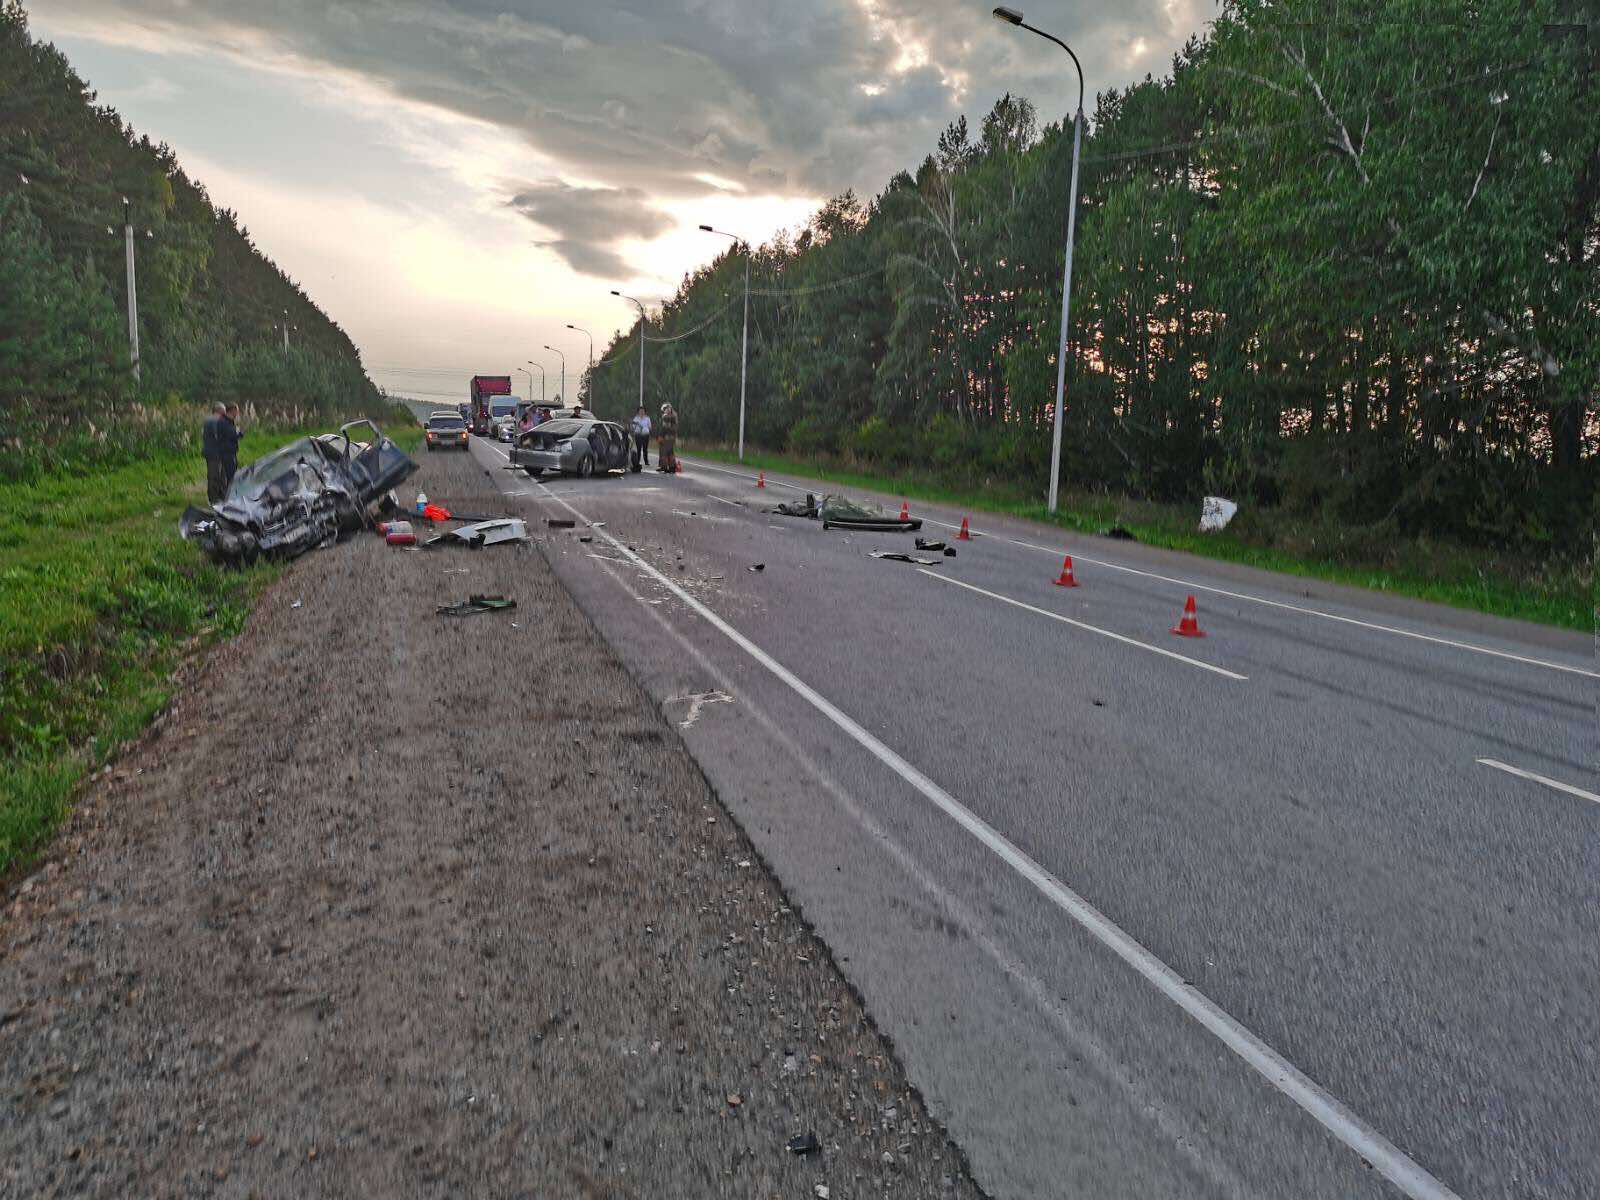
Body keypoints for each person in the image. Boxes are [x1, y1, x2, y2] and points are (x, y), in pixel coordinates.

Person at [202, 402, 229, 503]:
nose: (225, 413)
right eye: (224, 411)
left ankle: (221, 498)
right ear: (220, 410)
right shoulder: (216, 420)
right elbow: (218, 436)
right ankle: (214, 499)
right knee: (215, 476)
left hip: (213, 451)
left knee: (221, 476)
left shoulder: (209, 420)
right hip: (214, 452)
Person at [218, 404, 243, 494]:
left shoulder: (229, 421)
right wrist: (238, 432)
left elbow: (237, 434)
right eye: (237, 411)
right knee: (231, 476)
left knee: (233, 474)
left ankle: (230, 494)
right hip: (226, 452)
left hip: (231, 452)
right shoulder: (224, 422)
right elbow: (233, 435)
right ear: (232, 410)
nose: (238, 413)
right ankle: (230, 495)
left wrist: (238, 432)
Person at [656, 402, 678, 474]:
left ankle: (667, 467)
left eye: (668, 409)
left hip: (667, 437)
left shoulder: (668, 417)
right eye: (665, 409)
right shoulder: (671, 417)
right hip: (668, 437)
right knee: (668, 452)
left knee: (665, 452)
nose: (666, 410)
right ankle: (668, 467)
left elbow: (665, 428)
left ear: (670, 409)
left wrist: (661, 436)